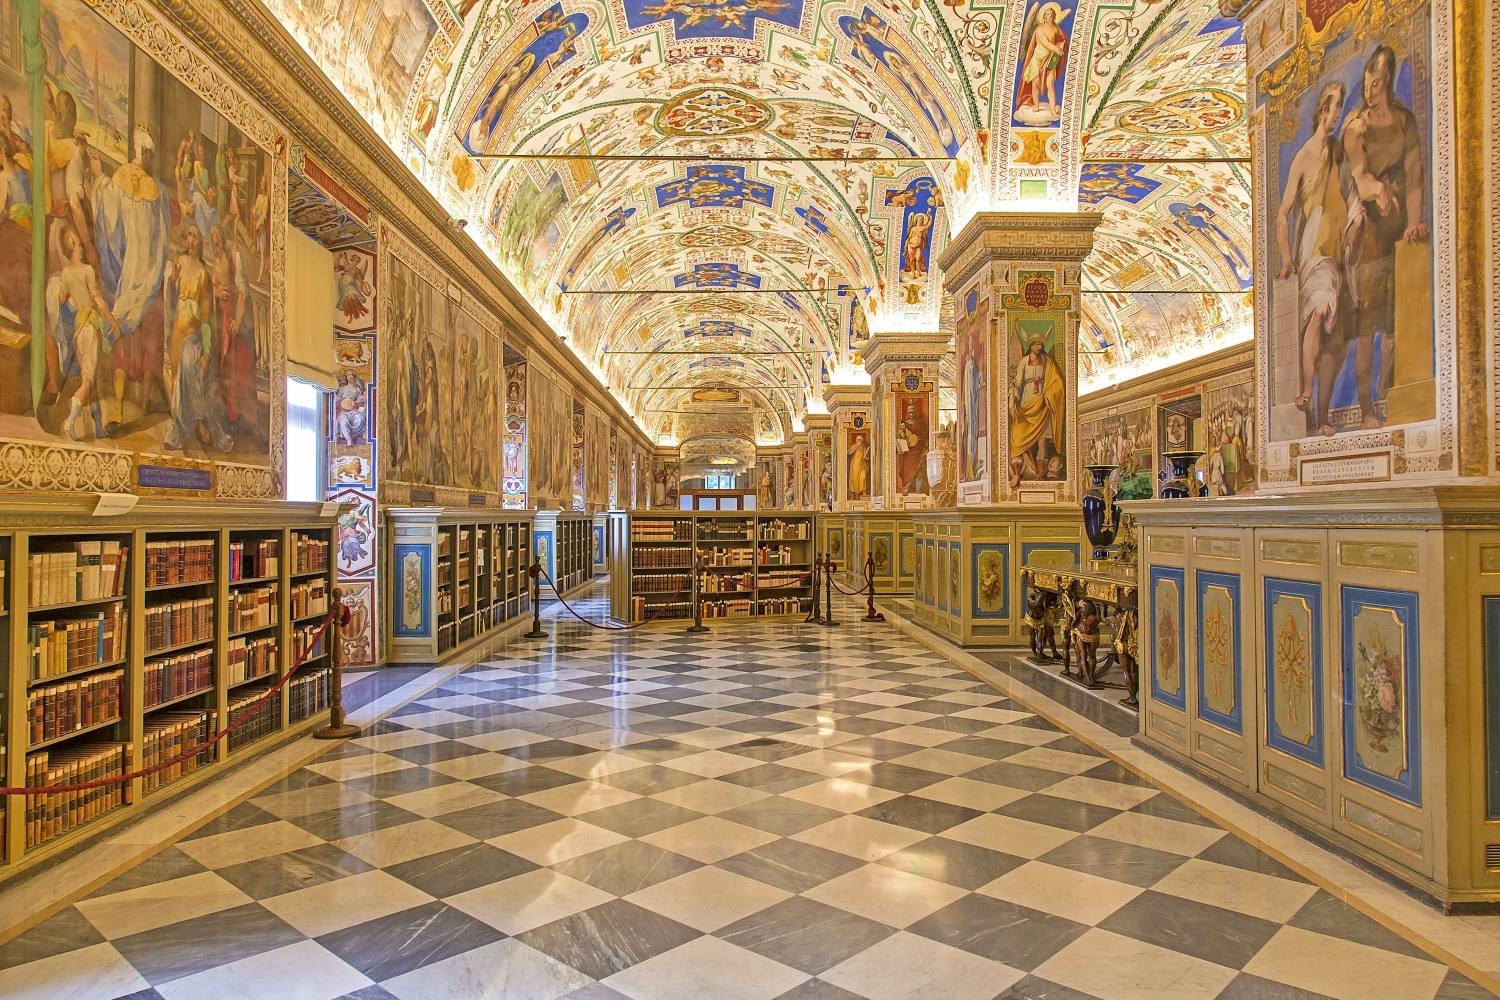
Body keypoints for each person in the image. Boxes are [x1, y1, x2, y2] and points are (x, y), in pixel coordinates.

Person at [1342, 44, 1427, 429]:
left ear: (1387, 82)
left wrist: (1416, 221)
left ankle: (1390, 396)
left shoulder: (1405, 122)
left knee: (1395, 324)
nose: (1370, 91)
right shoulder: (1356, 127)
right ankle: (1366, 408)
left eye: (1377, 83)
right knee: (1365, 327)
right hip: (1370, 231)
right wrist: (1379, 190)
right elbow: (1359, 178)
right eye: (1366, 84)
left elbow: (1414, 175)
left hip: (1398, 230)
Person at [1276, 81, 1353, 434]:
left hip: (1340, 249)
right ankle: (1306, 388)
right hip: (1315, 247)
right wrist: (1287, 259)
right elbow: (1282, 214)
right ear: (1321, 110)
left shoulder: (1339, 151)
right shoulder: (1304, 157)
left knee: (1333, 332)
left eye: (1340, 107)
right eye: (1332, 107)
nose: (1336, 114)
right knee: (1319, 311)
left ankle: (1321, 412)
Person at [95, 126, 171, 437]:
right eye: (150, 152)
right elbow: (111, 230)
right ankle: (116, 406)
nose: (152, 158)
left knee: (151, 342)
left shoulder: (157, 190)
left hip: (149, 274)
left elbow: (162, 233)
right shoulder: (120, 182)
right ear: (143, 152)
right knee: (123, 342)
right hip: (131, 273)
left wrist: (153, 271)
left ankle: (140, 406)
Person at [47, 222, 122, 440]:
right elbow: (98, 301)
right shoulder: (87, 271)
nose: (80, 245)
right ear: (71, 246)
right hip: (90, 329)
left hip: (79, 333)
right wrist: (114, 323)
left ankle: (98, 427)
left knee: (93, 380)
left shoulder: (66, 274)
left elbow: (60, 301)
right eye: (77, 242)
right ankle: (70, 422)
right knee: (88, 381)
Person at [164, 225, 233, 453]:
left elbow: (205, 318)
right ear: (186, 239)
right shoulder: (179, 264)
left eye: (196, 236)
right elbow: (170, 297)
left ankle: (196, 421)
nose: (192, 240)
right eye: (190, 235)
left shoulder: (203, 273)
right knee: (177, 378)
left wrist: (206, 351)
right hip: (178, 330)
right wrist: (173, 279)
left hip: (192, 332)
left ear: (200, 243)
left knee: (194, 375)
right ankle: (180, 425)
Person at [1009, 335, 1066, 484]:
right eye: (1035, 344)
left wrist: (1050, 394)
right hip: (1025, 406)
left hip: (1042, 405)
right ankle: (1016, 473)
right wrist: (1012, 402)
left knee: (1043, 442)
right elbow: (1015, 383)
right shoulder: (1023, 362)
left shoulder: (1048, 363)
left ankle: (1041, 473)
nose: (1038, 347)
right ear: (1030, 346)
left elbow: (1056, 381)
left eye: (1040, 344)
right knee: (1018, 442)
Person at [1015, 2, 1070, 124]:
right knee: (1035, 83)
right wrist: (1057, 49)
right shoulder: (1039, 29)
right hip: (1037, 58)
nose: (1046, 16)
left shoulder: (1056, 29)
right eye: (1045, 14)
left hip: (1049, 60)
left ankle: (1052, 109)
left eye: (1048, 15)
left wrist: (1061, 46)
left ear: (1053, 17)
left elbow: (1062, 40)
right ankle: (1036, 106)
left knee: (1050, 83)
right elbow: (1045, 43)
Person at [896, 400, 929, 493]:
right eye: (910, 412)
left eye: (913, 412)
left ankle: (918, 490)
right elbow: (901, 439)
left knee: (920, 471)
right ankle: (906, 489)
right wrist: (902, 431)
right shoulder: (904, 424)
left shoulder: (921, 423)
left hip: (920, 450)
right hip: (910, 452)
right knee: (909, 471)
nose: (912, 414)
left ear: (916, 413)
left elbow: (925, 436)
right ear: (907, 413)